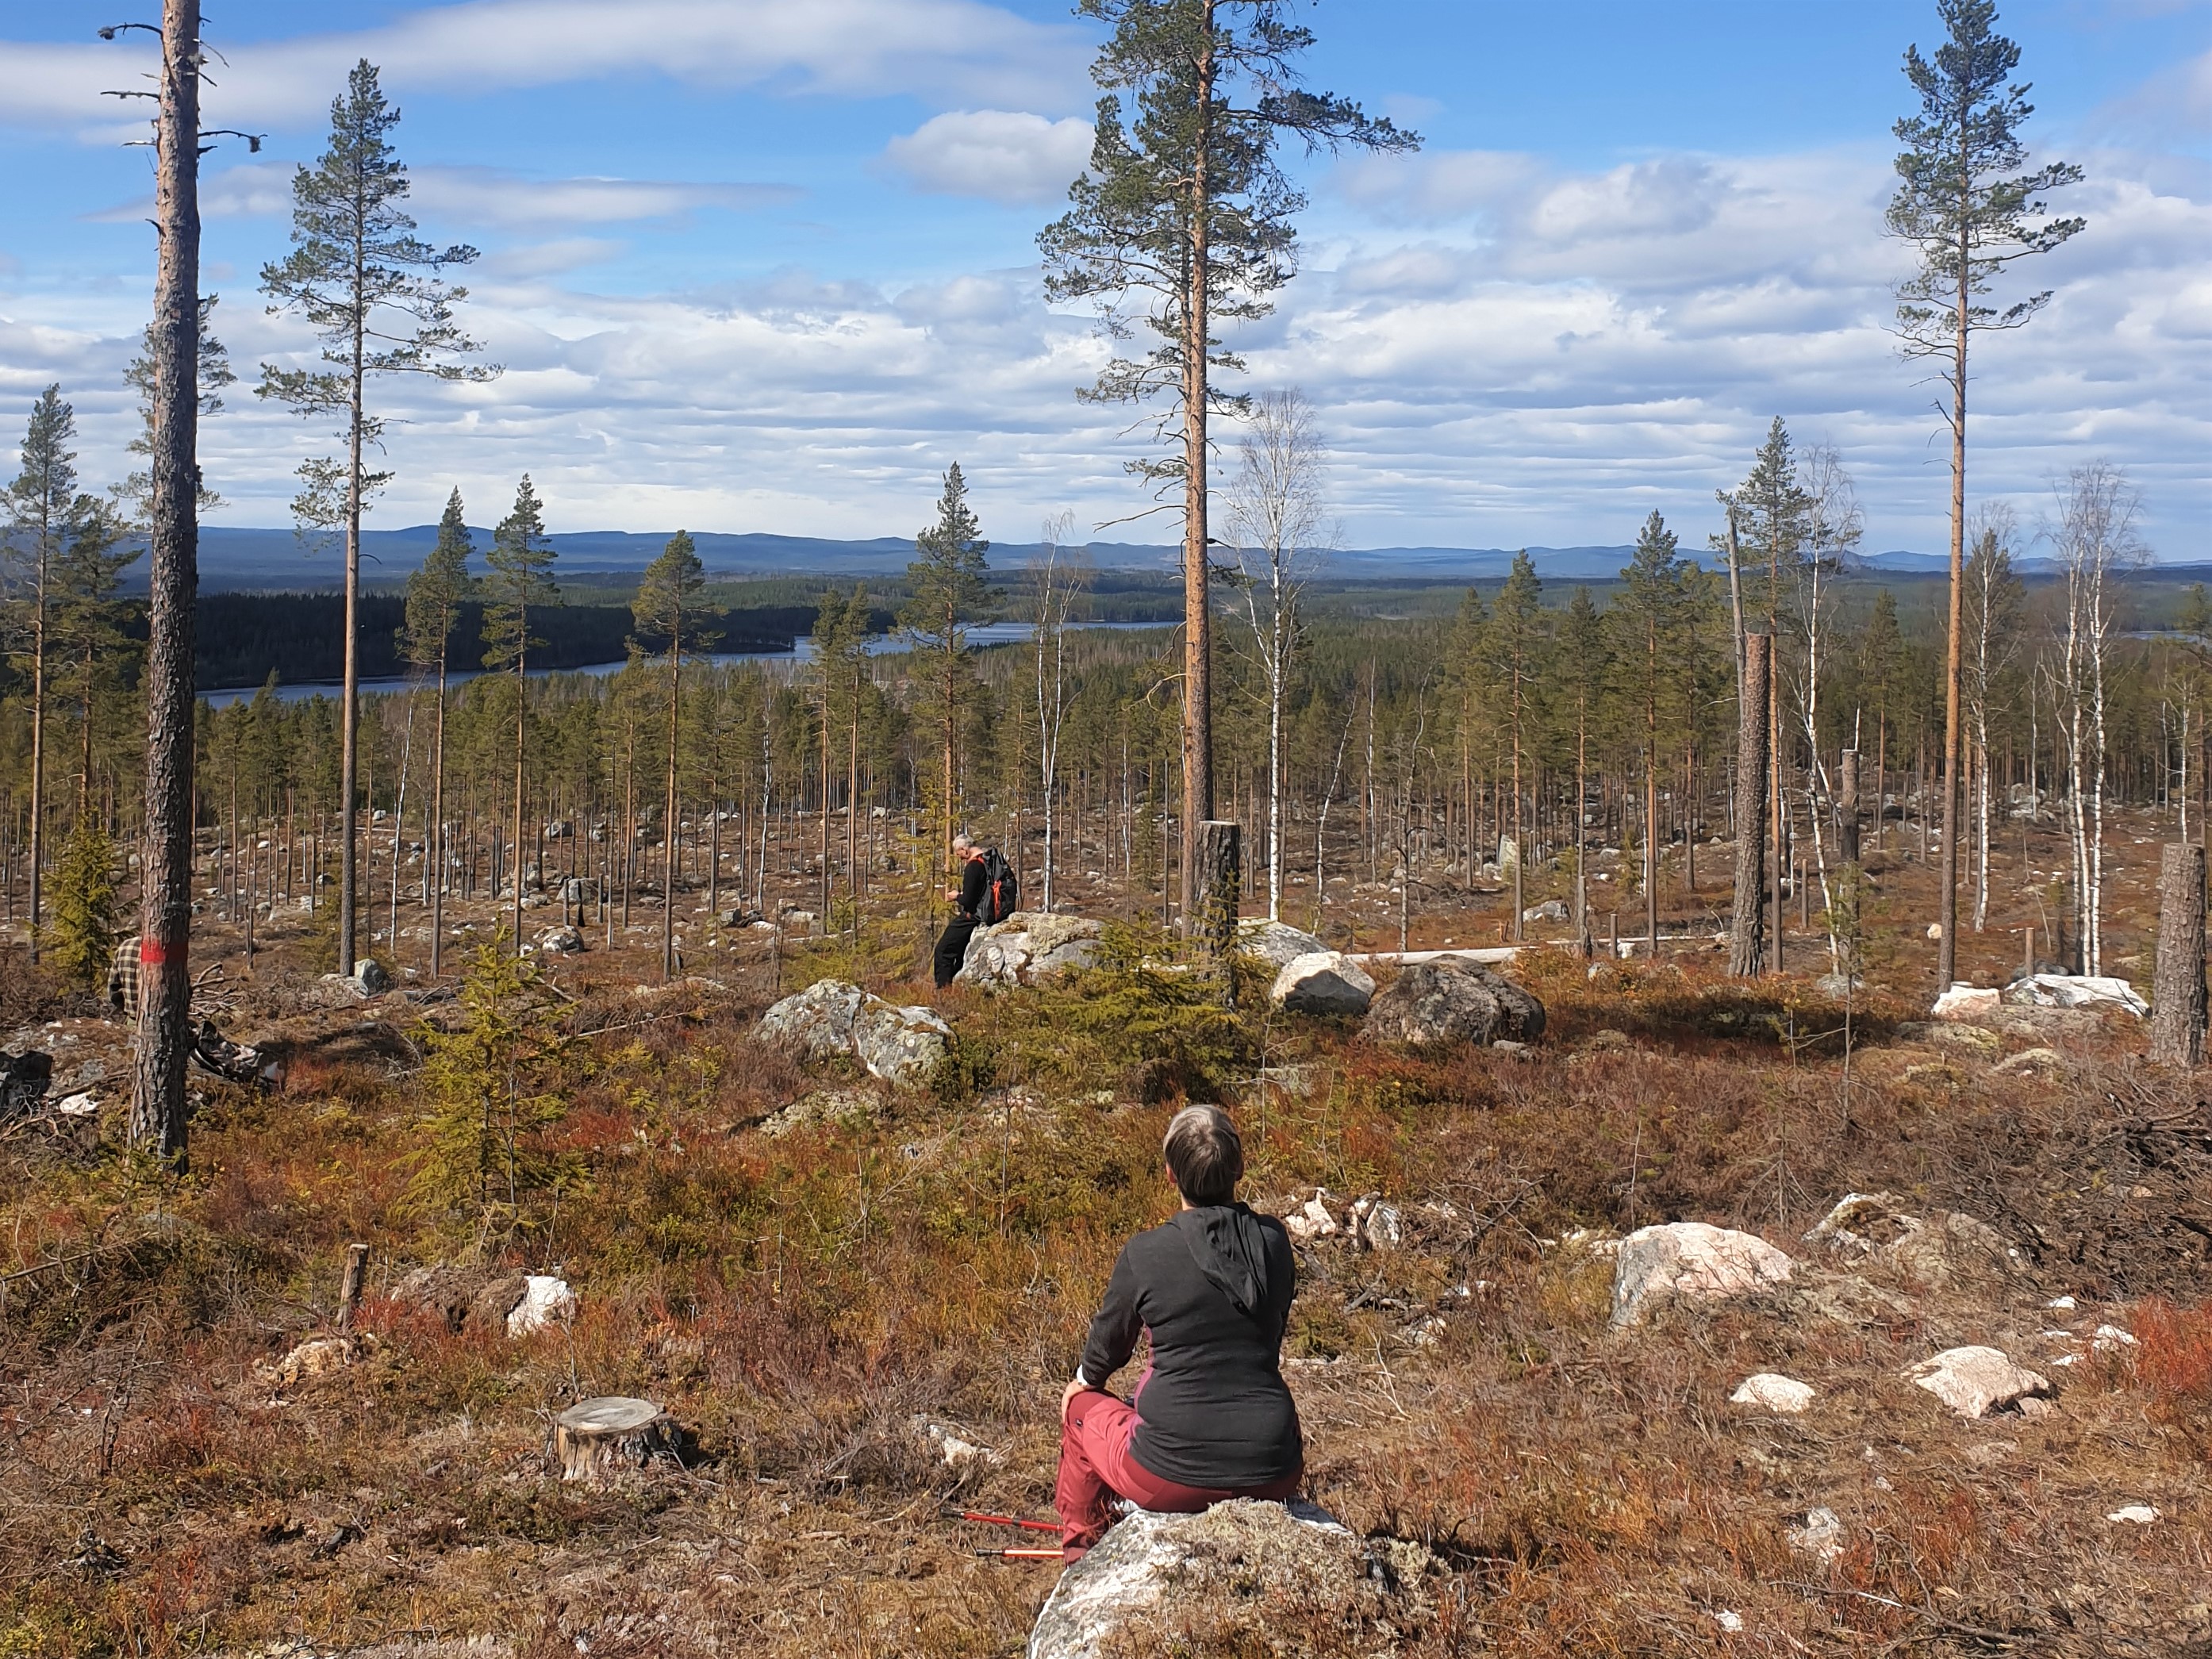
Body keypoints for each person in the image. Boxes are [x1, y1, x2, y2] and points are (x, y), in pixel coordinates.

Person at [1053, 1104, 1304, 1557]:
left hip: (1168, 1475)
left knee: (1080, 1412)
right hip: (1275, 1469)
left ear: (1170, 1174)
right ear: (1239, 1168)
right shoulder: (1275, 1242)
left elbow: (1106, 1348)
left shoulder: (1146, 1253)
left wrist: (1084, 1384)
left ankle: (1081, 1559)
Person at [932, 833, 990, 989]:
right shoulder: (988, 861)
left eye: (960, 855)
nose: (960, 859)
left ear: (964, 849)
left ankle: (943, 990)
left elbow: (968, 901)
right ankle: (955, 987)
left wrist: (956, 896)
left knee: (943, 951)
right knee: (959, 954)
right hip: (985, 914)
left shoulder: (974, 867)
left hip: (972, 917)